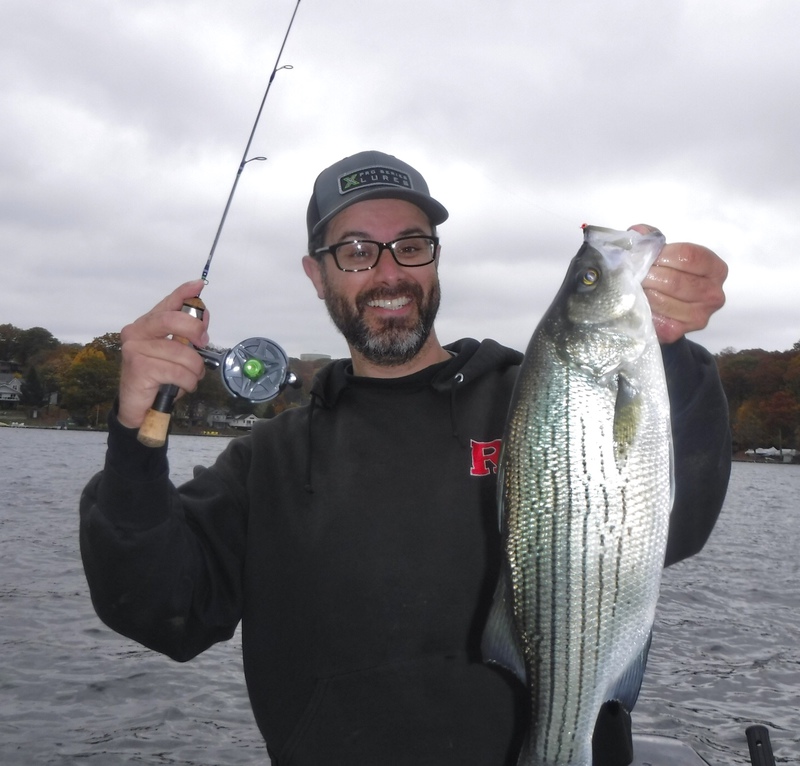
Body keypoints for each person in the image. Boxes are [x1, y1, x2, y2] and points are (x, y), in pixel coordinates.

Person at [80, 150, 731, 766]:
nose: (389, 272)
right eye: (357, 250)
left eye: (411, 246)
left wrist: (667, 348)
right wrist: (134, 435)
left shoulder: (538, 399)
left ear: (435, 259)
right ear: (317, 274)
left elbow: (680, 516)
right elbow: (162, 609)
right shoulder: (266, 463)